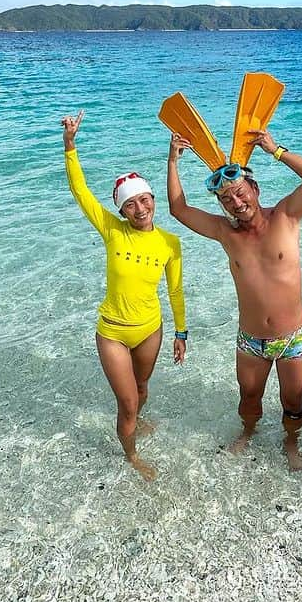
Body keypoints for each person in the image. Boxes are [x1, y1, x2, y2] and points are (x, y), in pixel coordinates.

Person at [167, 129, 302, 471]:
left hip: (293, 337)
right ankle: (248, 432)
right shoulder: (226, 233)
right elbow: (178, 209)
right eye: (227, 200)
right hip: (251, 339)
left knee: (293, 401)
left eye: (240, 194)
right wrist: (172, 161)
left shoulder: (286, 216)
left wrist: (276, 150)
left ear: (254, 189)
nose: (237, 204)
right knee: (249, 399)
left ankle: (291, 441)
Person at [62, 110, 187, 482]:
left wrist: (181, 334)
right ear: (120, 209)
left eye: (144, 200)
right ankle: (131, 455)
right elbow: (80, 191)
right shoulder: (112, 231)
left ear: (153, 199)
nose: (140, 209)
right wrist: (70, 144)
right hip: (113, 332)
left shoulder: (170, 243)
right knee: (128, 401)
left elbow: (176, 291)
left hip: (151, 330)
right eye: (130, 204)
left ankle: (135, 423)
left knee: (143, 388)